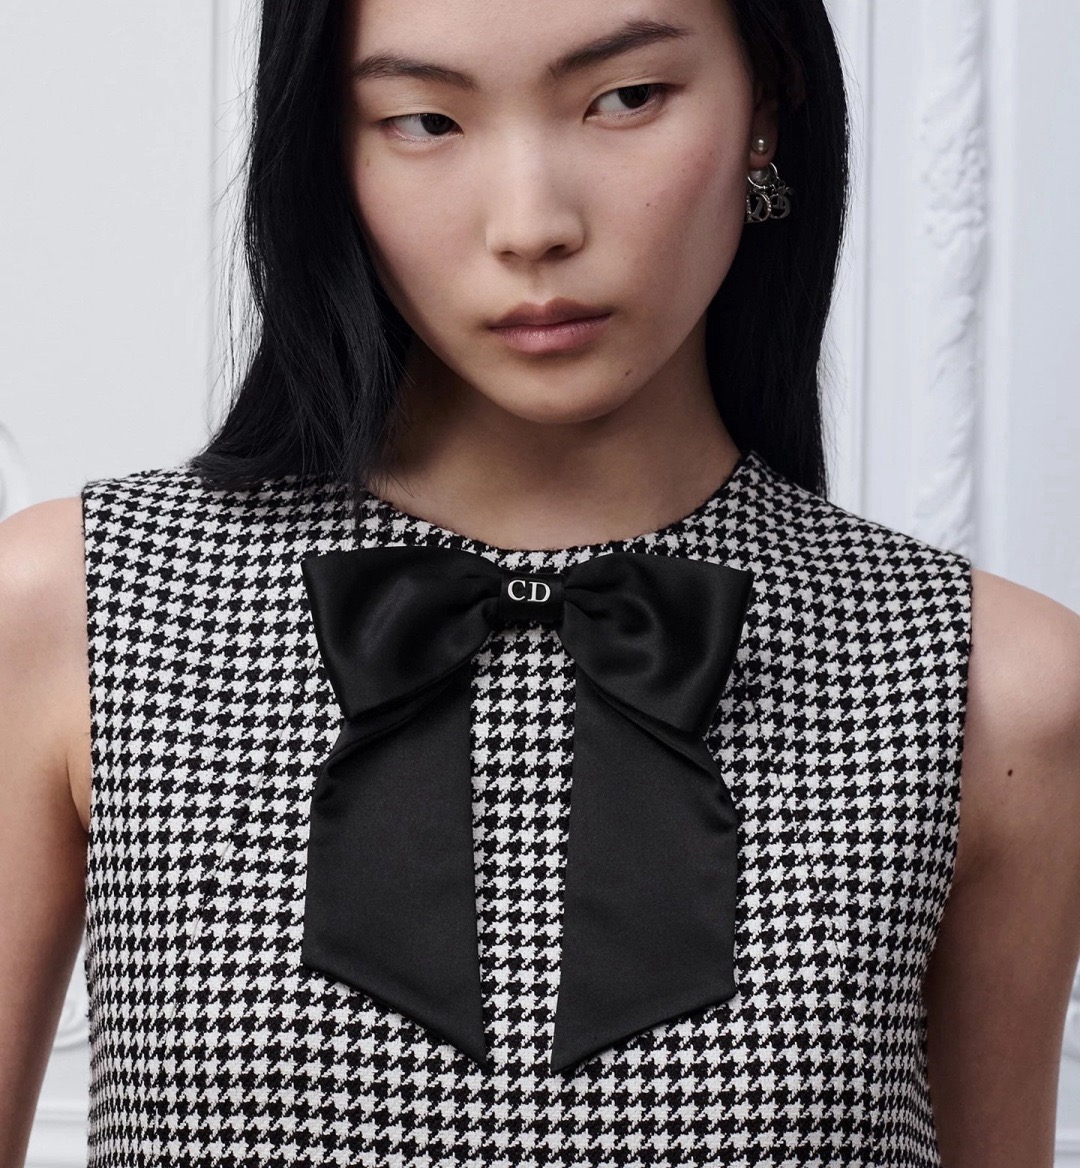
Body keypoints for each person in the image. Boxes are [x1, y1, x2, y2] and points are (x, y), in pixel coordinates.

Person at [2, 0, 1079, 1164]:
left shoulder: (995, 688)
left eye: (626, 99)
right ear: (327, 147)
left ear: (767, 106)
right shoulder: (73, 613)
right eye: (424, 120)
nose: (531, 226)